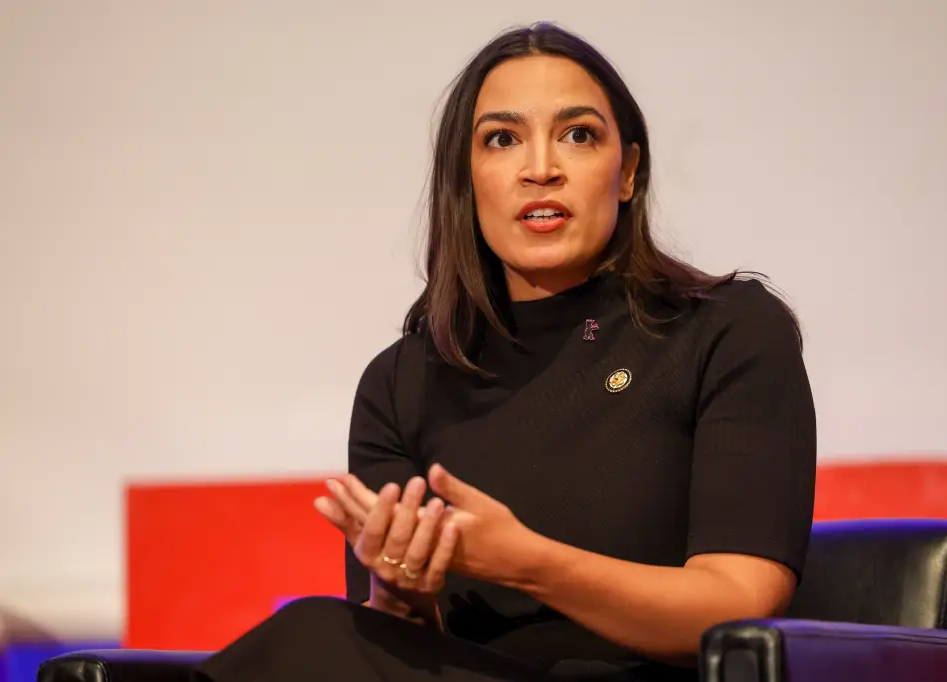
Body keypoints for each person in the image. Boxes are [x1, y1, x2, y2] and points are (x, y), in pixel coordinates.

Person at [194, 20, 816, 682]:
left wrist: (525, 560)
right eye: (502, 139)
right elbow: (399, 647)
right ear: (467, 178)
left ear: (627, 171)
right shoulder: (403, 381)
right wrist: (401, 593)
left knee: (305, 638)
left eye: (578, 135)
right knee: (323, 635)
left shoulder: (725, 332)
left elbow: (737, 608)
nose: (541, 168)